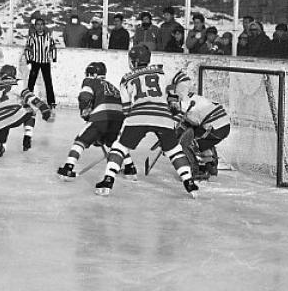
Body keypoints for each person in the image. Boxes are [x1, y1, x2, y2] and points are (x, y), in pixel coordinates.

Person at [94, 45, 198, 198]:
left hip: (138, 116)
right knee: (174, 151)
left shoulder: (126, 78)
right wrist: (176, 98)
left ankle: (108, 181)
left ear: (134, 62)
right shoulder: (161, 71)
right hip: (163, 117)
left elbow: (127, 109)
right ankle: (190, 184)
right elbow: (183, 78)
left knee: (119, 147)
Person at [57, 62, 129, 180]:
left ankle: (68, 167)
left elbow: (85, 97)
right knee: (115, 143)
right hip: (119, 118)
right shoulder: (111, 86)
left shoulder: (90, 81)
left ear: (93, 74)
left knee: (81, 139)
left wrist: (85, 114)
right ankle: (130, 168)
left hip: (101, 115)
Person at [0, 65, 53, 156]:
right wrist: (43, 107)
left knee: (2, 149)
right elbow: (28, 96)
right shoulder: (16, 83)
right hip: (12, 116)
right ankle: (27, 137)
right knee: (30, 109)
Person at [171, 92, 230, 182]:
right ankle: (210, 165)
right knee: (202, 140)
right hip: (222, 126)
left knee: (187, 143)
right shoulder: (192, 98)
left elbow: (187, 122)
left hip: (216, 127)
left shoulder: (186, 105)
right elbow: (193, 122)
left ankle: (194, 171)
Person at [24, 18, 57, 109]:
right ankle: (27, 100)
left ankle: (51, 102)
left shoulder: (48, 37)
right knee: (31, 82)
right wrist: (29, 61)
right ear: (35, 26)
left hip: (45, 62)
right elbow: (27, 49)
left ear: (44, 26)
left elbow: (53, 48)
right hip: (35, 62)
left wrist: (54, 59)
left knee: (48, 82)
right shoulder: (32, 37)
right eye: (38, 24)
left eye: (42, 24)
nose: (40, 26)